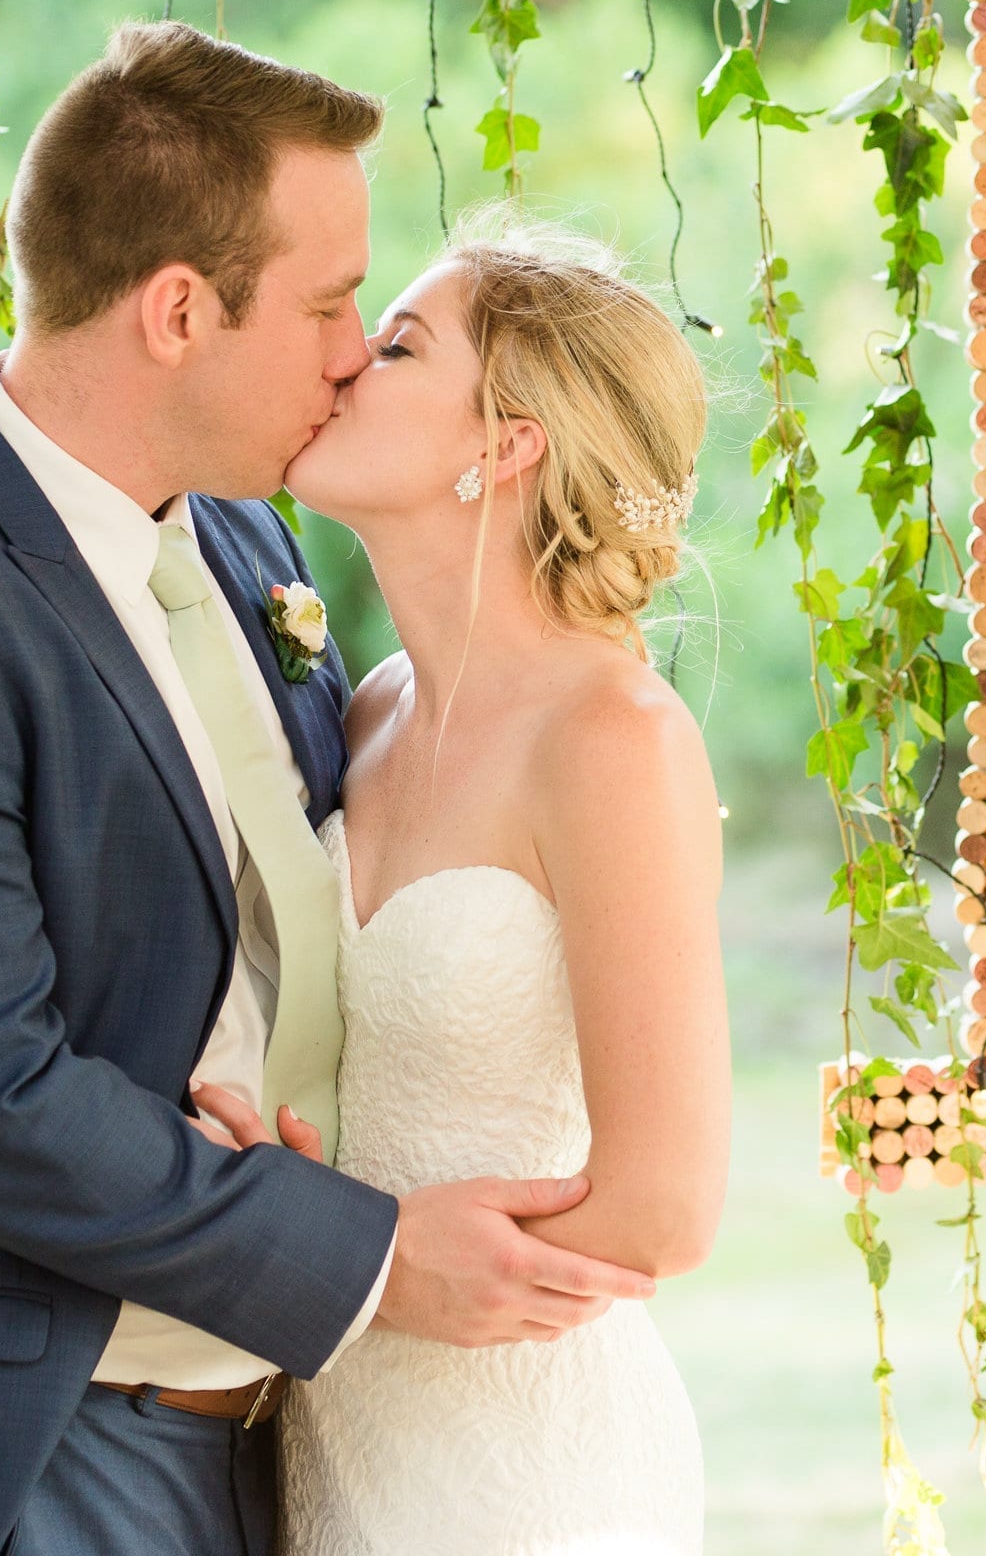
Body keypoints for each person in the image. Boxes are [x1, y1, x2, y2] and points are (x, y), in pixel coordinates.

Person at [0, 22, 658, 1556]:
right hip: (19, 1456)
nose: (356, 348)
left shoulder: (248, 550)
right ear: (176, 312)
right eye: (330, 302)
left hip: (278, 1448)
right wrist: (366, 1259)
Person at [255, 222, 731, 1552]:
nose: (345, 363)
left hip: (525, 1462)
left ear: (505, 442)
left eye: (398, 346)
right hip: (339, 1427)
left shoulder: (612, 739)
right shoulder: (368, 711)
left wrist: (365, 1252)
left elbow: (666, 1207)